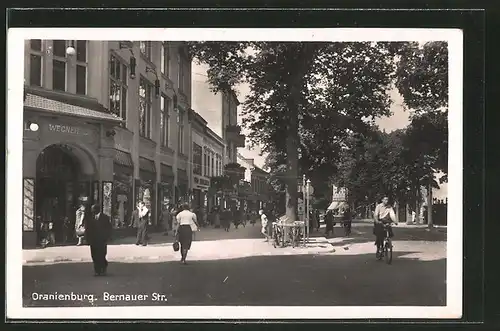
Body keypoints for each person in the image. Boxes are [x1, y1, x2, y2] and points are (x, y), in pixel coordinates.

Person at [85, 204, 112, 276]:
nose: (92, 211)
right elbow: (87, 229)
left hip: (102, 240)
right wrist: (87, 239)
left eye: (93, 209)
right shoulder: (90, 218)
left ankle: (103, 269)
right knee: (94, 255)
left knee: (102, 255)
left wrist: (107, 238)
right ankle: (97, 271)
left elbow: (109, 228)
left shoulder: (105, 218)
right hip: (93, 241)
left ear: (97, 210)